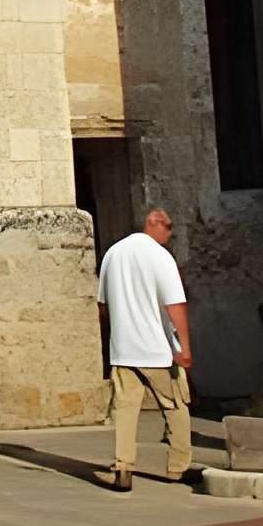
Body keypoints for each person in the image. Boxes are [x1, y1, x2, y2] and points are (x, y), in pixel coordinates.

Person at [95, 206, 194, 491]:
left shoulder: (113, 254)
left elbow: (102, 304)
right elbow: (175, 304)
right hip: (156, 349)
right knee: (175, 404)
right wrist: (185, 347)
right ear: (155, 223)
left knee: (125, 409)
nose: (171, 234)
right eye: (170, 227)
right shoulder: (160, 256)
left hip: (123, 349)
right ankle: (179, 466)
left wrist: (114, 334)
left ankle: (123, 468)